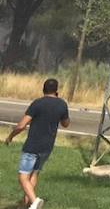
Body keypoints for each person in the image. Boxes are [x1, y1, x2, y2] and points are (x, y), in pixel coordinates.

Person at [5, 77, 70, 209]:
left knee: (23, 177)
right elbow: (66, 124)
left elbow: (21, 125)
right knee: (34, 174)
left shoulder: (37, 103)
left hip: (33, 145)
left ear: (43, 89)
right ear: (56, 90)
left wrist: (10, 136)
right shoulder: (62, 104)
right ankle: (25, 204)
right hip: (47, 146)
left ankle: (34, 202)